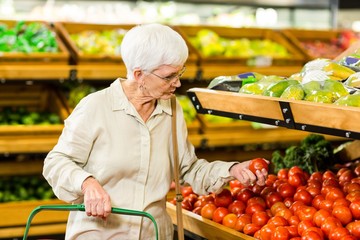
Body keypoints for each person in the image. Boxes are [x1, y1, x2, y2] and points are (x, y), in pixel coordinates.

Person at [43, 23, 268, 240]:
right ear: (139, 74)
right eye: (169, 76)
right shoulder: (96, 107)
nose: (177, 83)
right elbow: (56, 162)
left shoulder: (172, 109)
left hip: (155, 233)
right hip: (102, 233)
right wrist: (87, 182)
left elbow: (187, 169)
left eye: (180, 73)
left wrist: (232, 169)